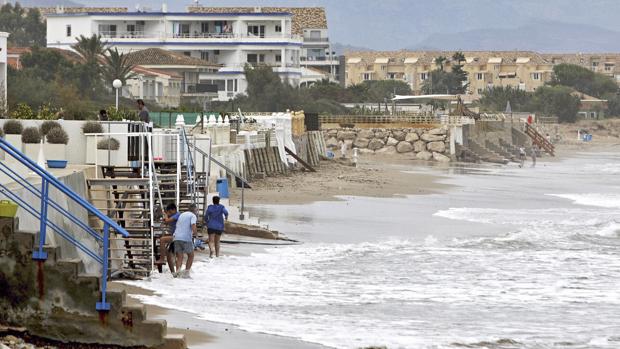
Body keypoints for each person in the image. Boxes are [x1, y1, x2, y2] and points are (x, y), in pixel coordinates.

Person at [171, 204, 198, 278]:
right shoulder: (193, 216)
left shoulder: (182, 215)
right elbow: (193, 225)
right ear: (194, 210)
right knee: (191, 255)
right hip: (186, 238)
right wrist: (196, 234)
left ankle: (178, 272)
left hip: (176, 237)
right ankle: (186, 272)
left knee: (179, 256)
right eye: (196, 210)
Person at [158, 203, 180, 273]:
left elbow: (167, 221)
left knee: (162, 240)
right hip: (174, 236)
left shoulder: (177, 215)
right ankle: (173, 273)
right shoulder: (172, 216)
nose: (169, 214)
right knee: (169, 254)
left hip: (178, 236)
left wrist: (166, 215)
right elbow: (165, 223)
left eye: (170, 212)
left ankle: (161, 258)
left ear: (174, 210)